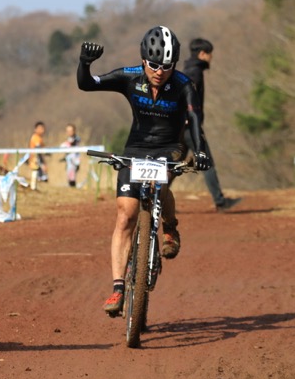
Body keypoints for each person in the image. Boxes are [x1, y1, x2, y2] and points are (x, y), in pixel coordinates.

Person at [77, 25, 212, 315]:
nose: (160, 71)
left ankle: (170, 228)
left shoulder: (184, 84)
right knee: (125, 214)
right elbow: (87, 85)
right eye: (153, 64)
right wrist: (85, 63)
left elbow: (194, 120)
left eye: (166, 65)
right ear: (143, 60)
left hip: (168, 148)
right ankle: (117, 289)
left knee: (162, 185)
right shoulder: (129, 77)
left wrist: (200, 150)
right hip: (135, 149)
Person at [182, 38, 241, 211]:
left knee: (175, 162)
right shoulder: (195, 72)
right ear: (202, 54)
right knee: (206, 162)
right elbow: (187, 95)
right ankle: (220, 201)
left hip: (182, 126)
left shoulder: (188, 69)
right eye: (210, 54)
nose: (211, 58)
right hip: (189, 127)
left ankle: (158, 200)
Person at [28, 121, 48, 189]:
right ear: (35, 129)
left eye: (43, 128)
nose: (42, 130)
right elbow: (38, 149)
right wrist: (42, 163)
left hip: (38, 160)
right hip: (36, 160)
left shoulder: (40, 138)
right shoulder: (35, 138)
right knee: (39, 177)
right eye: (40, 128)